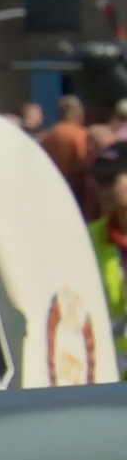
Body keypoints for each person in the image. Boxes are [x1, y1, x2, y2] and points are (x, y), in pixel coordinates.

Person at [95, 141, 127, 343]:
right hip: (111, 359)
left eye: (109, 179)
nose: (101, 188)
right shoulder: (89, 237)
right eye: (98, 180)